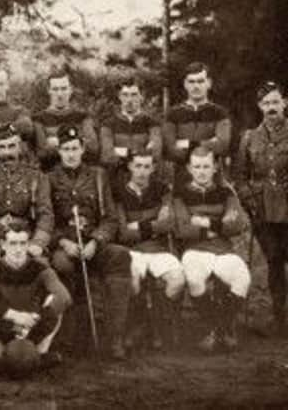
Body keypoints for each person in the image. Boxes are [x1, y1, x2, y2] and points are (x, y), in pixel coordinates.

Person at [48, 124, 132, 359]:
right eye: (66, 149)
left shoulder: (98, 176)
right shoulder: (49, 179)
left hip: (93, 244)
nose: (71, 154)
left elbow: (111, 219)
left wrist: (96, 241)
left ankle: (114, 337)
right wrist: (63, 242)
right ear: (59, 152)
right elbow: (46, 222)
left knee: (120, 256)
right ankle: (69, 337)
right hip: (66, 246)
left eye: (75, 148)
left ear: (83, 148)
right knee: (62, 265)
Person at [174, 146, 250, 352]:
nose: (201, 171)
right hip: (194, 251)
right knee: (194, 279)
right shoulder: (180, 193)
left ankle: (217, 330)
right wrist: (218, 226)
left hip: (224, 250)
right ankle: (219, 329)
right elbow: (182, 229)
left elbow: (237, 224)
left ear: (215, 167)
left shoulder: (226, 192)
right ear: (189, 168)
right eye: (197, 166)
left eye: (206, 166)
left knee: (242, 277)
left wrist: (205, 222)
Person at [0, 222, 71, 378]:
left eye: (22, 243)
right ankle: (34, 361)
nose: (18, 249)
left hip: (32, 326)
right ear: (3, 245)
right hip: (4, 326)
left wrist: (37, 317)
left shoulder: (41, 268)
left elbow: (65, 298)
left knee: (55, 301)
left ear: (28, 244)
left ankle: (28, 357)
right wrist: (14, 316)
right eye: (12, 243)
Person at [114, 150, 185, 350]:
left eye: (146, 166)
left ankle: (156, 323)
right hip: (132, 250)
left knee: (177, 279)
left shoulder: (161, 190)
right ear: (129, 167)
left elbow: (169, 224)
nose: (142, 172)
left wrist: (138, 225)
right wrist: (154, 223)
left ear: (153, 168)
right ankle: (140, 324)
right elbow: (122, 234)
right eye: (138, 166)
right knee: (133, 281)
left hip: (159, 249)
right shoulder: (119, 192)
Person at [234, 81, 288, 336]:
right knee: (274, 263)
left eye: (275, 102)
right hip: (263, 212)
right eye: (266, 104)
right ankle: (280, 319)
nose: (271, 108)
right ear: (260, 107)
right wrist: (249, 201)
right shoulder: (249, 138)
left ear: (284, 103)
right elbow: (240, 177)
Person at [0, 123, 53, 270]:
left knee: (41, 267)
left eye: (11, 146)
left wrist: (38, 243)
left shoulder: (36, 177)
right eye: (1, 147)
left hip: (26, 240)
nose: (7, 152)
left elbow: (46, 214)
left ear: (19, 146)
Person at [162, 62, 232, 187]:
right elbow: (171, 151)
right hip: (181, 181)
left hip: (213, 183)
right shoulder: (172, 114)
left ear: (208, 83)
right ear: (185, 84)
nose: (196, 86)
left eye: (200, 81)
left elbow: (223, 145)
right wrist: (209, 143)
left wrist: (186, 143)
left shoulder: (220, 113)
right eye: (192, 82)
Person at [100, 77, 162, 189]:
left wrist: (119, 151)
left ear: (141, 97)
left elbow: (156, 153)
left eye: (134, 95)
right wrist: (140, 151)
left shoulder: (152, 123)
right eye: (125, 95)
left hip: (145, 182)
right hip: (116, 180)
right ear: (119, 97)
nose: (129, 100)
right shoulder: (108, 123)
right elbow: (107, 155)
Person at [33, 69, 99, 171]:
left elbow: (93, 147)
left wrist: (56, 142)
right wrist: (78, 141)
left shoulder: (82, 117)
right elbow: (42, 153)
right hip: (51, 174)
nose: (60, 94)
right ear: (48, 90)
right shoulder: (39, 119)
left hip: (81, 175)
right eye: (55, 89)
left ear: (70, 89)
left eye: (64, 88)